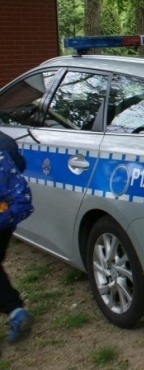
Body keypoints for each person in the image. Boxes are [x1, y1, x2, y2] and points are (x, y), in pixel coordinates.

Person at [0, 131, 34, 344]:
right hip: (7, 215)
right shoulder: (3, 138)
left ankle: (15, 310)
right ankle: (15, 310)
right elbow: (19, 165)